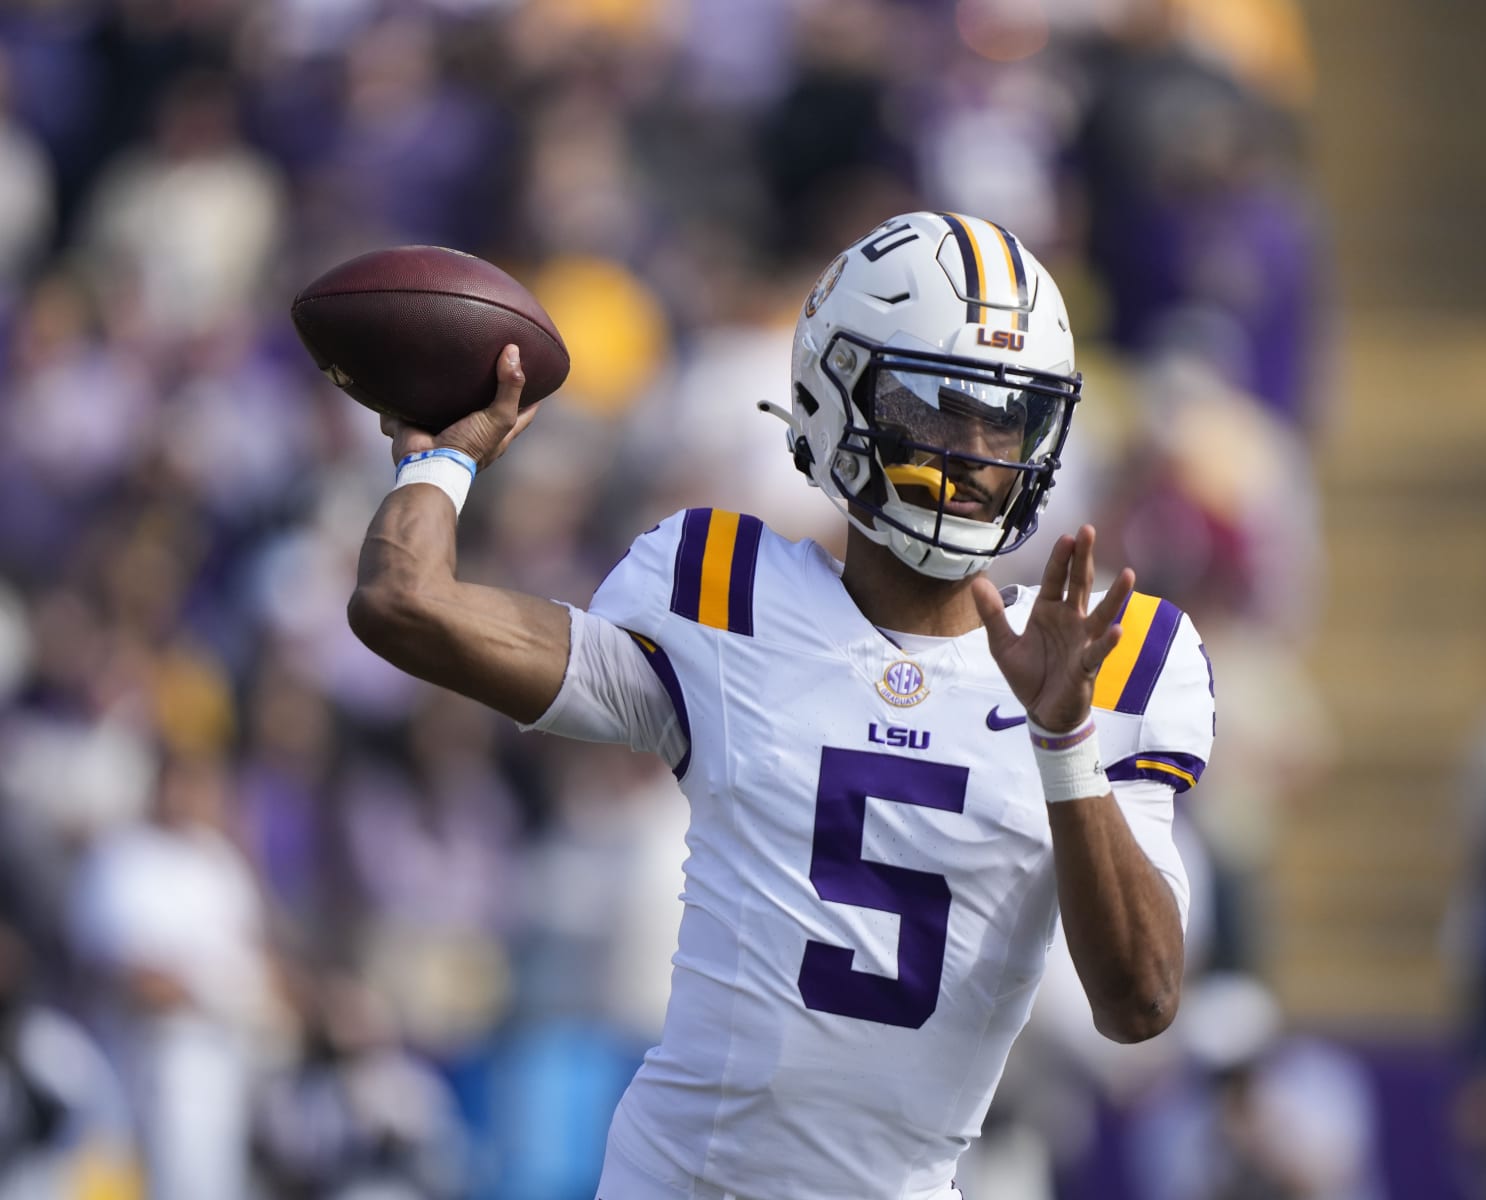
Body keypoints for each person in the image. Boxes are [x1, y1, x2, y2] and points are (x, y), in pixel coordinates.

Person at [345, 211, 1213, 1200]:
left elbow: (1141, 1001)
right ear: (837, 398)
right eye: (937, 407)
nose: (976, 453)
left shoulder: (1116, 660)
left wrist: (1065, 740)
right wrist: (440, 460)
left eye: (1004, 417)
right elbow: (402, 603)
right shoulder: (723, 594)